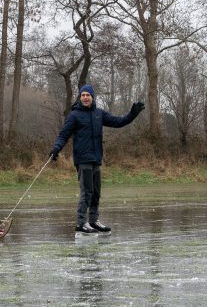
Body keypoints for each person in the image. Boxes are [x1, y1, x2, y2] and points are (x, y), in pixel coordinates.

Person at [49, 84, 144, 233]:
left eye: (88, 95)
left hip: (96, 159)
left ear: (92, 97)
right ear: (80, 98)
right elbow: (63, 135)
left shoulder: (99, 114)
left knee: (96, 192)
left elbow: (118, 122)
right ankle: (81, 223)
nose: (85, 97)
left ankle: (93, 221)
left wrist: (132, 114)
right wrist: (56, 149)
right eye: (83, 95)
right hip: (83, 159)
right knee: (87, 192)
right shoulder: (74, 115)